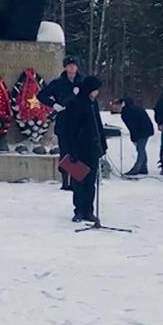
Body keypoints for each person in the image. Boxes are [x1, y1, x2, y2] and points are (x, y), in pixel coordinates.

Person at [59, 75, 108, 222]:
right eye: (95, 90)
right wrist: (71, 150)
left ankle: (89, 210)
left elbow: (98, 125)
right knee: (79, 181)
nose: (97, 92)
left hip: (93, 147)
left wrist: (102, 144)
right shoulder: (75, 104)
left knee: (91, 182)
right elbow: (69, 129)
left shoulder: (93, 104)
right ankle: (79, 210)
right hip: (78, 149)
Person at [38, 56, 83, 190]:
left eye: (74, 65)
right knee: (65, 152)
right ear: (65, 67)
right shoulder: (57, 83)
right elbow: (41, 95)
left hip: (79, 122)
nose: (72, 68)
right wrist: (55, 105)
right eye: (69, 65)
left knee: (77, 152)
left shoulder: (82, 82)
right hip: (64, 122)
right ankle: (65, 181)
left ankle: (76, 180)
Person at [109, 96, 154, 176]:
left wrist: (134, 138)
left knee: (140, 149)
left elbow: (132, 127)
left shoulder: (127, 112)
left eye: (115, 107)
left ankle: (136, 169)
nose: (114, 109)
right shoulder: (129, 108)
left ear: (120, 105)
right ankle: (143, 168)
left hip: (143, 130)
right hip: (145, 129)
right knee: (141, 149)